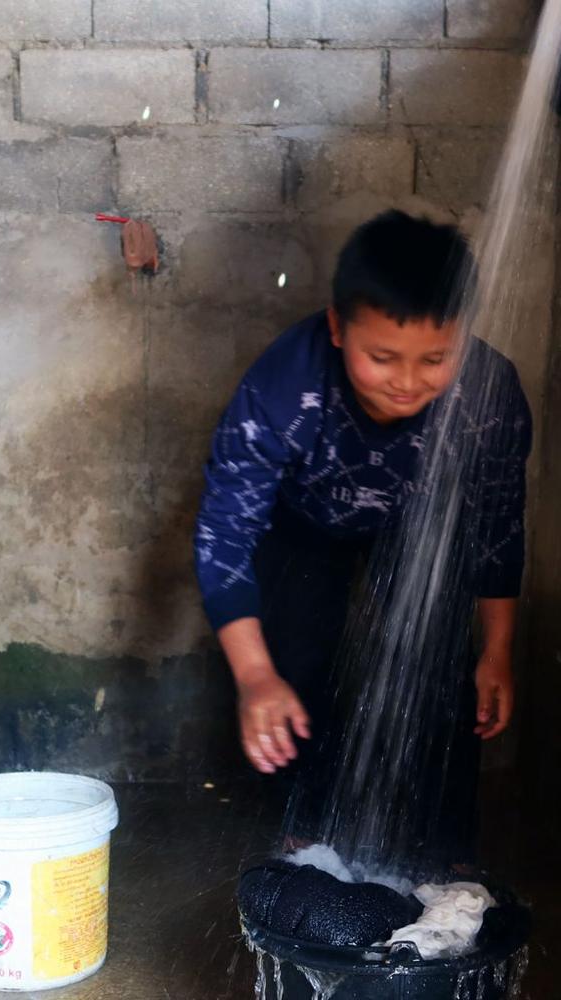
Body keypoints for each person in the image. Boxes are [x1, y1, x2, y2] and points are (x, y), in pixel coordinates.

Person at [194, 211, 530, 861]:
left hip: (416, 528)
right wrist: (256, 675)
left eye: (436, 359)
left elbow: (497, 523)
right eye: (382, 358)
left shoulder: (491, 397)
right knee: (296, 657)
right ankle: (306, 842)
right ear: (337, 329)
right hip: (302, 523)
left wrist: (497, 648)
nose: (408, 381)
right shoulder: (283, 386)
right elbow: (224, 534)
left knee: (438, 663)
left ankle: (440, 852)